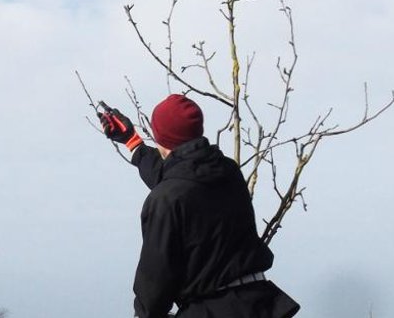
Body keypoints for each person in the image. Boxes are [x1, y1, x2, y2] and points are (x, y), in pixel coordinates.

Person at [99, 94, 300, 318]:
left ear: (160, 137)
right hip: (260, 304)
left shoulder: (166, 198)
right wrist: (132, 142)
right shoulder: (227, 171)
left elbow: (155, 282)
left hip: (212, 310)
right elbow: (179, 178)